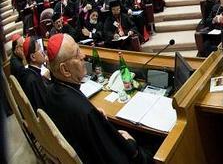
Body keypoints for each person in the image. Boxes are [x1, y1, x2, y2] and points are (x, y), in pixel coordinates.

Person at [44, 34, 150, 164]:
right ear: (65, 70)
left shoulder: (51, 91)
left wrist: (95, 116)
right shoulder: (85, 112)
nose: (83, 56)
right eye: (77, 54)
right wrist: (131, 143)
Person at [17, 36, 49, 111]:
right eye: (39, 49)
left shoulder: (30, 72)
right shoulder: (33, 81)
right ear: (33, 57)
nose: (43, 52)